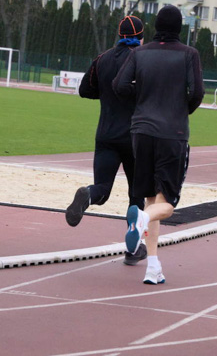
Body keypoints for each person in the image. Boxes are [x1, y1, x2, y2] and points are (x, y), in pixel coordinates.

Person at [114, 5, 204, 285]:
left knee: (152, 198)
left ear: (155, 27)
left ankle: (152, 266)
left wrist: (142, 98)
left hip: (141, 131)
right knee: (167, 205)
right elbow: (197, 92)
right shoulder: (189, 54)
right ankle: (140, 220)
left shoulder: (139, 53)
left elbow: (119, 85)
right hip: (172, 132)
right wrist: (181, 109)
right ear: (180, 28)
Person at [66, 15, 147, 266]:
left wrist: (108, 94)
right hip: (135, 137)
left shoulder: (102, 59)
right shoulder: (144, 59)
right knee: (137, 195)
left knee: (102, 189)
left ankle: (87, 195)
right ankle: (134, 249)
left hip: (106, 134)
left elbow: (84, 90)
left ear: (119, 35)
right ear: (141, 37)